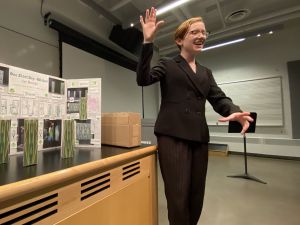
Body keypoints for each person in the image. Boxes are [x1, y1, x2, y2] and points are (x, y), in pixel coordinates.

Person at [136, 7, 254, 225]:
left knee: (196, 197)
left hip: (199, 138)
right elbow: (143, 79)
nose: (201, 36)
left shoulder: (205, 72)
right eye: (195, 32)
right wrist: (147, 43)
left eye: (204, 32)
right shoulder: (168, 64)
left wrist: (234, 111)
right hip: (172, 136)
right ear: (180, 40)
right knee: (178, 197)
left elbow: (219, 98)